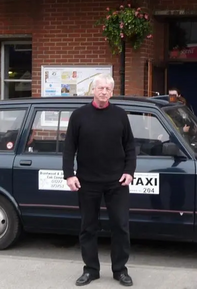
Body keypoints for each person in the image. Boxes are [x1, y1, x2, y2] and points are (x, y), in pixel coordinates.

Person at [63, 73, 136, 287]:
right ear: (93, 90)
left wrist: (129, 171)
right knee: (88, 227)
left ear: (112, 92)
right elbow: (69, 148)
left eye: (108, 89)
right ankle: (91, 270)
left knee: (121, 226)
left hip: (117, 182)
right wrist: (69, 174)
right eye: (100, 88)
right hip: (87, 182)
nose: (104, 92)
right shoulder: (79, 116)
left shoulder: (120, 115)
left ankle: (120, 270)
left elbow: (130, 146)